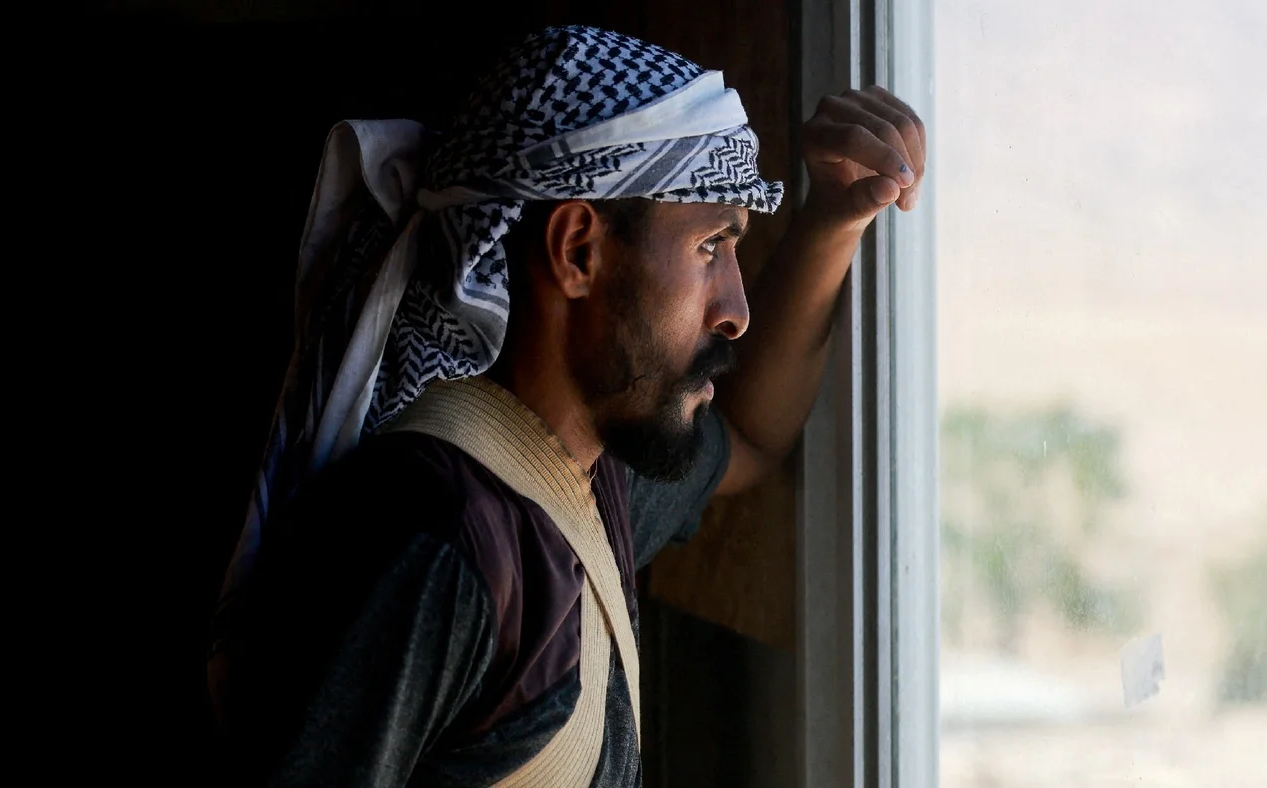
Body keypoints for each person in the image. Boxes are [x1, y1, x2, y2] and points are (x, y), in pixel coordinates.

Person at [208, 24, 926, 788]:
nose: (736, 310)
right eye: (711, 246)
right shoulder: (432, 540)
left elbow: (746, 434)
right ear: (579, 249)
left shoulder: (588, 481)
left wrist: (834, 220)